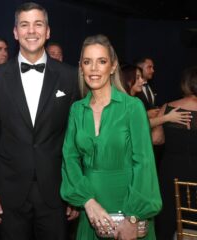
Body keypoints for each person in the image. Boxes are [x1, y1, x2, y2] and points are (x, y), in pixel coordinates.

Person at [0, 2, 79, 240]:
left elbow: (74, 138)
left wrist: (76, 189)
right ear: (15, 32)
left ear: (48, 31)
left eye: (38, 24)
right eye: (24, 25)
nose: (31, 31)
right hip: (9, 191)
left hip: (56, 190)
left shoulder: (69, 77)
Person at [61, 34, 162, 240]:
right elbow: (69, 159)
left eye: (102, 61)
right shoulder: (76, 110)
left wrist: (133, 217)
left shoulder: (132, 107)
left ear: (113, 66)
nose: (94, 69)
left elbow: (144, 163)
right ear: (81, 67)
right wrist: (87, 202)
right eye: (88, 62)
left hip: (129, 205)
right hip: (91, 209)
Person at [155, 66, 197, 239]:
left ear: (184, 84)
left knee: (169, 216)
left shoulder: (168, 107)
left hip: (171, 171)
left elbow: (157, 140)